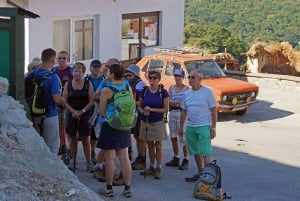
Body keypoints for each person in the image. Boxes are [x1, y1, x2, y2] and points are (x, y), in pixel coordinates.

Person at [97, 64, 133, 198]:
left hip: (110, 124)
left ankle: (109, 188)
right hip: (125, 125)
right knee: (124, 157)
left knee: (110, 158)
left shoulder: (107, 90)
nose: (106, 74)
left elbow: (101, 112)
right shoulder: (126, 86)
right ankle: (127, 187)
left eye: (108, 72)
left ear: (112, 74)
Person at [178, 69, 217, 183]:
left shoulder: (207, 92)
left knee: (206, 153)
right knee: (195, 152)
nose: (190, 79)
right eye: (189, 77)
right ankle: (201, 173)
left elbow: (214, 110)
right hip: (190, 126)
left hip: (204, 126)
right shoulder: (187, 93)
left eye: (193, 77)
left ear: (200, 79)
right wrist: (181, 127)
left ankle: (209, 177)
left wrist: (213, 127)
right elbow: (184, 111)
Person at [63, 62, 94, 172]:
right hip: (72, 114)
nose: (76, 73)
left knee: (86, 139)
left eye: (79, 71)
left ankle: (89, 162)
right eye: (75, 71)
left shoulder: (87, 84)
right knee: (72, 138)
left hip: (84, 113)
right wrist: (73, 112)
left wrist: (82, 111)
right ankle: (73, 160)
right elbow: (64, 100)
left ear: (83, 73)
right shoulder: (68, 84)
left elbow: (92, 101)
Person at [138, 70, 169, 179]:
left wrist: (151, 109)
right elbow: (139, 105)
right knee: (150, 145)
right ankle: (151, 166)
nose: (152, 80)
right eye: (150, 77)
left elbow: (166, 109)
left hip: (158, 122)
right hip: (146, 121)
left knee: (159, 145)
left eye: (154, 78)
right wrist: (142, 111)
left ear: (158, 79)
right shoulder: (144, 91)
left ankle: (159, 167)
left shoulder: (163, 92)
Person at [33, 48, 64, 153]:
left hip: (34, 115)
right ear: (52, 60)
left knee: (37, 148)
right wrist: (64, 101)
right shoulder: (53, 77)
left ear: (42, 58)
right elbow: (57, 99)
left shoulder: (31, 75)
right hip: (50, 115)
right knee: (52, 149)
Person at [165, 69, 189, 170]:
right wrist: (171, 103)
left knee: (182, 136)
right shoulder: (171, 88)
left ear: (182, 77)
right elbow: (167, 101)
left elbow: (187, 102)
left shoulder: (186, 89)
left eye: (179, 76)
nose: (177, 78)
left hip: (181, 113)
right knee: (173, 136)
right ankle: (176, 157)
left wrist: (179, 103)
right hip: (173, 112)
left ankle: (186, 159)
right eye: (175, 75)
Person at [125, 64, 147, 170]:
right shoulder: (128, 84)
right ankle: (138, 156)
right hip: (130, 113)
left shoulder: (141, 85)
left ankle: (142, 158)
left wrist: (133, 103)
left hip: (138, 114)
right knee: (135, 136)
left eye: (130, 73)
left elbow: (143, 100)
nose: (128, 75)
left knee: (140, 137)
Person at [51, 51, 73, 156]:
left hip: (68, 103)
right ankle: (62, 145)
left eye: (64, 58)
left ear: (67, 59)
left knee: (67, 126)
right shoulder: (53, 70)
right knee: (58, 125)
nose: (61, 60)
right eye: (59, 58)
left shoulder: (71, 71)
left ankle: (68, 147)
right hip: (57, 102)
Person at [86, 59, 104, 165]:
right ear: (90, 68)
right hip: (89, 107)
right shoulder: (86, 79)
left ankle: (95, 151)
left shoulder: (104, 80)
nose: (96, 69)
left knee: (97, 132)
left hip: (101, 107)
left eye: (98, 67)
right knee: (88, 132)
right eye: (94, 67)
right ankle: (91, 151)